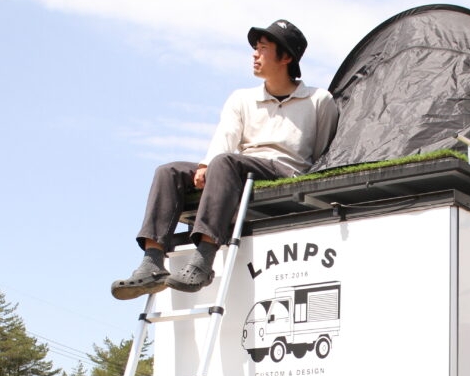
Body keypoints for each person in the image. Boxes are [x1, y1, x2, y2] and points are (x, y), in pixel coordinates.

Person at [111, 19, 339, 299]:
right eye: (255, 48)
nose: (255, 55)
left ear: (286, 57)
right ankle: (152, 262)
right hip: (238, 167)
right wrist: (206, 165)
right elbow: (226, 136)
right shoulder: (241, 99)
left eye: (263, 49)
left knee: (224, 162)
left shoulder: (318, 100)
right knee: (167, 171)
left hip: (286, 170)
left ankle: (204, 259)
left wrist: (215, 164)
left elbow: (322, 152)